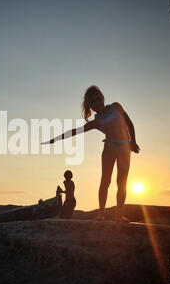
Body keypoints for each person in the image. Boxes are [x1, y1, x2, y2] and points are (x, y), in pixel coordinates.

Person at [42, 85, 140, 222]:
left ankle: (119, 216)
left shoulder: (116, 106)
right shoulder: (96, 122)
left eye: (98, 99)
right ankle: (101, 215)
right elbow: (75, 131)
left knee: (122, 182)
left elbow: (129, 123)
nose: (97, 103)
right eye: (93, 102)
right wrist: (55, 139)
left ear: (102, 98)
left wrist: (133, 141)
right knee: (105, 181)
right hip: (110, 147)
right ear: (90, 106)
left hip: (124, 147)